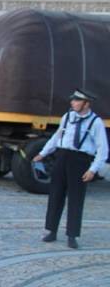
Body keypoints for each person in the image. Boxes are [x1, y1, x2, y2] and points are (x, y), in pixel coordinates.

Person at [34, 88, 108, 249]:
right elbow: (56, 137)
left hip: (80, 160)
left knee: (76, 199)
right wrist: (42, 153)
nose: (72, 102)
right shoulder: (67, 117)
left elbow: (103, 149)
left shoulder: (95, 122)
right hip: (62, 157)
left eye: (77, 100)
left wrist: (93, 169)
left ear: (86, 103)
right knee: (55, 195)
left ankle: (72, 235)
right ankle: (51, 230)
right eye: (73, 100)